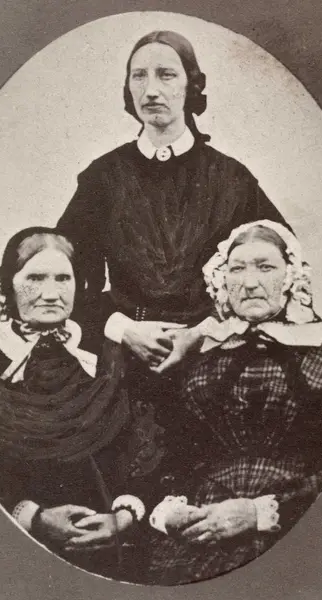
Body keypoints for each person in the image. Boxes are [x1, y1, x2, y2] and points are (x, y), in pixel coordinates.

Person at [56, 30, 293, 520]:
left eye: (166, 75)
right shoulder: (101, 179)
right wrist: (125, 329)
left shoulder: (232, 179)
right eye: (138, 76)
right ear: (128, 88)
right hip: (122, 362)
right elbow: (65, 282)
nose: (151, 90)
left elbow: (283, 274)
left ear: (192, 86)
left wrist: (203, 332)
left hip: (216, 356)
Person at [144, 220, 322, 585]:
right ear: (221, 279)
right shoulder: (196, 364)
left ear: (291, 276)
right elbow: (170, 458)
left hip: (298, 531)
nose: (249, 283)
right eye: (237, 269)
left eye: (265, 267)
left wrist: (258, 513)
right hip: (202, 532)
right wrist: (173, 511)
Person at [0, 227, 160, 582]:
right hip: (18, 547)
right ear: (7, 285)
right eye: (34, 278)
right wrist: (35, 518)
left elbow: (147, 445)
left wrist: (124, 515)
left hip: (118, 541)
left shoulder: (109, 354)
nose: (50, 293)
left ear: (79, 285)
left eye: (63, 278)